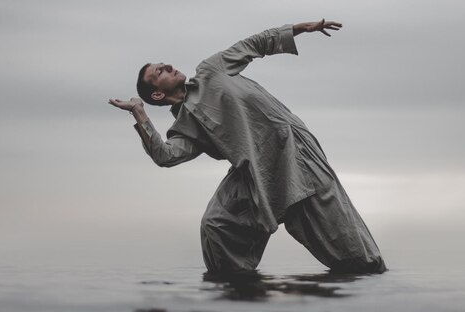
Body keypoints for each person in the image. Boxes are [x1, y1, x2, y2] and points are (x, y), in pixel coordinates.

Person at [109, 19, 386, 274]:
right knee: (216, 224)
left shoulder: (210, 70)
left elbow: (255, 43)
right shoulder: (185, 127)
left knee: (341, 239)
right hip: (254, 173)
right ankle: (238, 296)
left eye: (164, 63)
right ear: (157, 93)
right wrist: (139, 113)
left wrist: (302, 28)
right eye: (160, 71)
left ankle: (370, 276)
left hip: (292, 151)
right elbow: (165, 156)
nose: (168, 66)